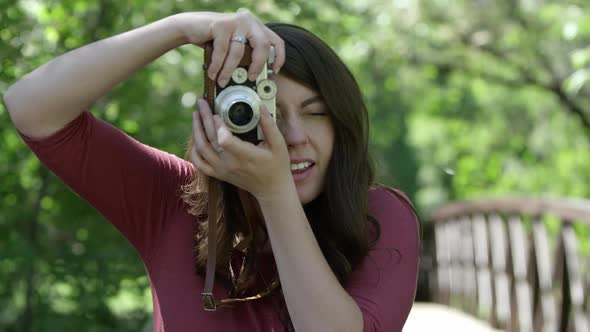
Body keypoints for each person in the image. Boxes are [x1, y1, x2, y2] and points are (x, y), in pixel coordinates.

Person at [4, 9, 420, 332]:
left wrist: (274, 194)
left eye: (316, 114)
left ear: (342, 124)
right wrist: (180, 29)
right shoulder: (175, 199)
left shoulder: (379, 216)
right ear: (223, 113)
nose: (292, 135)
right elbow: (31, 107)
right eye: (268, 111)